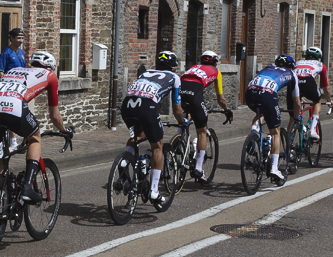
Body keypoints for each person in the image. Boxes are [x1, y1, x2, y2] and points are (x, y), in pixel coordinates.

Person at [0, 49, 70, 203]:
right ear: (51, 67)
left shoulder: (15, 70)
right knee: (35, 138)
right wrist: (64, 130)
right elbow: (55, 116)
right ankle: (27, 188)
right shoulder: (50, 76)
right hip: (14, 107)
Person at [119, 51, 184, 208]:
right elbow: (177, 109)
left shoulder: (146, 73)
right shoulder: (175, 78)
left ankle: (124, 162)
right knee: (157, 146)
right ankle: (154, 191)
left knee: (138, 136)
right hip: (147, 107)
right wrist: (183, 122)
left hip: (127, 105)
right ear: (173, 68)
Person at [245, 54, 301, 186]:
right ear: (291, 67)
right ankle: (274, 169)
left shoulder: (267, 68)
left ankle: (254, 134)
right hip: (268, 95)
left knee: (261, 113)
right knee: (275, 131)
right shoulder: (292, 74)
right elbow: (297, 102)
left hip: (250, 92)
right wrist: (296, 117)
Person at [179, 51, 233, 181]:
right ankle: (198, 168)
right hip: (194, 93)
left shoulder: (193, 68)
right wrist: (226, 110)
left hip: (180, 90)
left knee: (186, 116)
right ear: (215, 62)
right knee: (202, 131)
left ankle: (178, 139)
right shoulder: (216, 71)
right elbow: (221, 99)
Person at [294, 46, 333, 140]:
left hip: (294, 83)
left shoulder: (298, 63)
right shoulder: (320, 65)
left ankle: (289, 144)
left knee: (294, 112)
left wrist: (298, 96)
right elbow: (326, 88)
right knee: (317, 101)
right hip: (308, 81)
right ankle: (312, 130)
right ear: (319, 58)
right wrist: (329, 100)